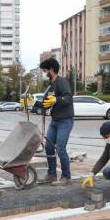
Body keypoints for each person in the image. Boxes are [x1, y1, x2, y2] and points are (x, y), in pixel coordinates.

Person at [34, 57, 74, 186]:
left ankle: (66, 177)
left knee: (61, 149)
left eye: (45, 70)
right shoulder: (50, 85)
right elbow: (45, 105)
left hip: (65, 121)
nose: (45, 73)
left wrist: (56, 100)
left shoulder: (62, 82)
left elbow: (68, 98)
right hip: (55, 121)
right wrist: (32, 103)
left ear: (51, 69)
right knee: (49, 147)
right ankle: (51, 174)